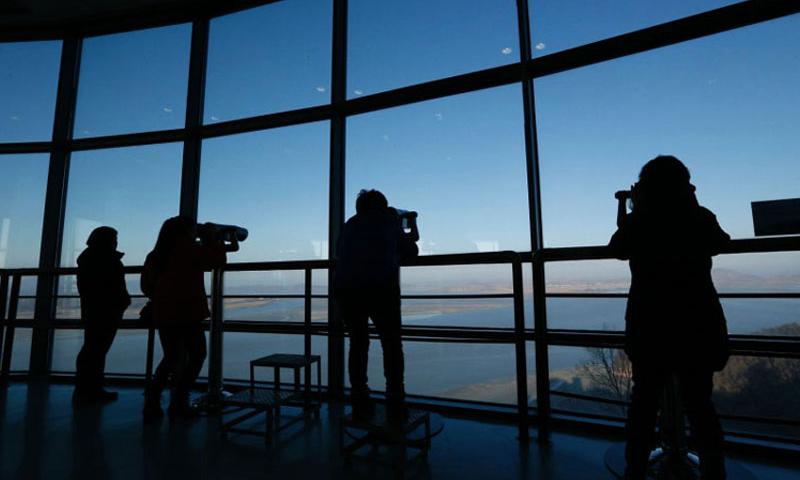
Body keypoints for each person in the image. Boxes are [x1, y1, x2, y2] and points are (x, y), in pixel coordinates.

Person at [609, 156, 730, 480]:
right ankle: (714, 468)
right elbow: (722, 242)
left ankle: (634, 467)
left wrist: (634, 208)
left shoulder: (640, 221)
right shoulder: (699, 217)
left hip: (650, 324)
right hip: (696, 323)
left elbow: (617, 248)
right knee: (700, 403)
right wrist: (691, 202)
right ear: (685, 185)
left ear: (644, 186)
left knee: (644, 401)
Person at [336, 189, 419, 422]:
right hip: (381, 290)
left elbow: (339, 253)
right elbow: (412, 251)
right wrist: (410, 228)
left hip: (347, 291)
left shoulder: (349, 224)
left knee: (358, 344)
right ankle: (395, 397)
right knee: (391, 345)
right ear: (383, 205)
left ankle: (359, 397)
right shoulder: (388, 221)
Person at [141, 216, 226, 420]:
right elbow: (218, 260)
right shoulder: (189, 250)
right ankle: (179, 401)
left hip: (164, 312)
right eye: (192, 229)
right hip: (187, 312)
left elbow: (146, 285)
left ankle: (152, 400)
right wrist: (213, 239)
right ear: (185, 232)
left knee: (171, 357)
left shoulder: (155, 255)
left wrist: (162, 297)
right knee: (197, 354)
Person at [74, 226, 131, 403]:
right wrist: (123, 301)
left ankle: (87, 389)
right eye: (114, 239)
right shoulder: (105, 260)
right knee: (97, 350)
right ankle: (92, 389)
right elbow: (111, 286)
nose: (116, 242)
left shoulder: (89, 258)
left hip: (97, 310)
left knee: (93, 349)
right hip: (106, 310)